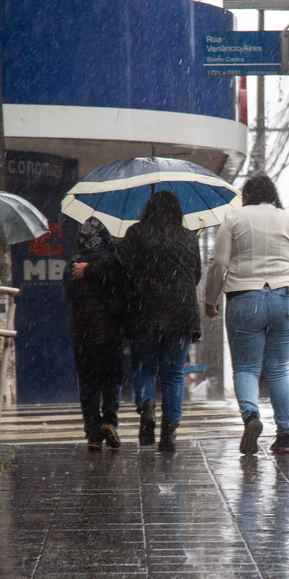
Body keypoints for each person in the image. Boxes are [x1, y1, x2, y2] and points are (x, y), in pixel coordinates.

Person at [74, 191, 202, 452]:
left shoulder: (137, 234)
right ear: (177, 212)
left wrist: (88, 269)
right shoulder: (189, 237)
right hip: (181, 314)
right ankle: (169, 433)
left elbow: (117, 268)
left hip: (146, 312)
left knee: (144, 367)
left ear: (148, 210)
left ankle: (146, 405)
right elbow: (196, 275)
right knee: (174, 373)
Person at [204, 175, 289, 456]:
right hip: (285, 297)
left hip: (244, 297)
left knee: (246, 368)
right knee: (278, 369)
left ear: (247, 195)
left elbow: (218, 262)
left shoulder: (235, 218)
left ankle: (251, 417)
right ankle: (285, 437)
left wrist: (210, 299)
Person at [63, 217, 124, 450]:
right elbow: (120, 290)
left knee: (88, 384)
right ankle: (109, 421)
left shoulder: (72, 266)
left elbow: (70, 298)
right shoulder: (111, 263)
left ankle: (92, 433)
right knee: (111, 378)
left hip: (82, 334)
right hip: (108, 332)